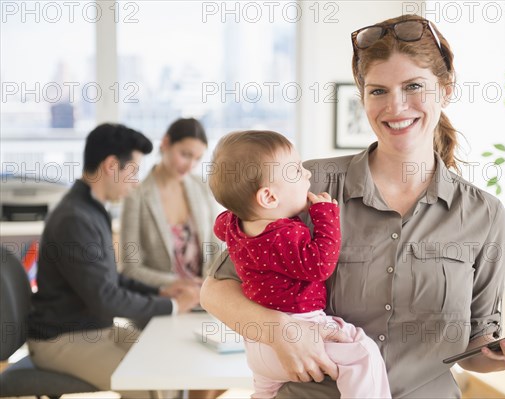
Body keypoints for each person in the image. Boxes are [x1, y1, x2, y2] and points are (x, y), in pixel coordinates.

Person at [200, 14, 505, 398]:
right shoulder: (308, 186)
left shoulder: (483, 214)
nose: (396, 107)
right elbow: (215, 289)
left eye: (413, 86)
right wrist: (278, 331)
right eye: (378, 91)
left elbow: (474, 346)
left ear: (444, 90)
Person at [208, 131, 391, 399]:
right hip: (301, 330)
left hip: (259, 349)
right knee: (362, 352)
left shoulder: (233, 224)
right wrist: (326, 215)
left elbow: (219, 225)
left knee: (265, 393)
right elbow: (319, 265)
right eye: (295, 170)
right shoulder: (283, 235)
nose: (306, 174)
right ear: (269, 198)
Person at [27, 123, 200, 398]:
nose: (134, 182)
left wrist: (159, 292)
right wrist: (173, 305)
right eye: (132, 171)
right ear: (110, 166)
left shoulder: (92, 210)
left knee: (169, 366)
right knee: (148, 385)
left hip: (94, 329)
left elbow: (109, 277)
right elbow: (105, 298)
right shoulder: (75, 218)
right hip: (61, 340)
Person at [120, 118, 220, 288]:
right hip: (163, 302)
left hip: (204, 300)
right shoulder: (136, 196)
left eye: (197, 159)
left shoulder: (202, 188)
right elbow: (130, 268)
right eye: (185, 155)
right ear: (166, 143)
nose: (190, 165)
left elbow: (217, 250)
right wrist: (177, 283)